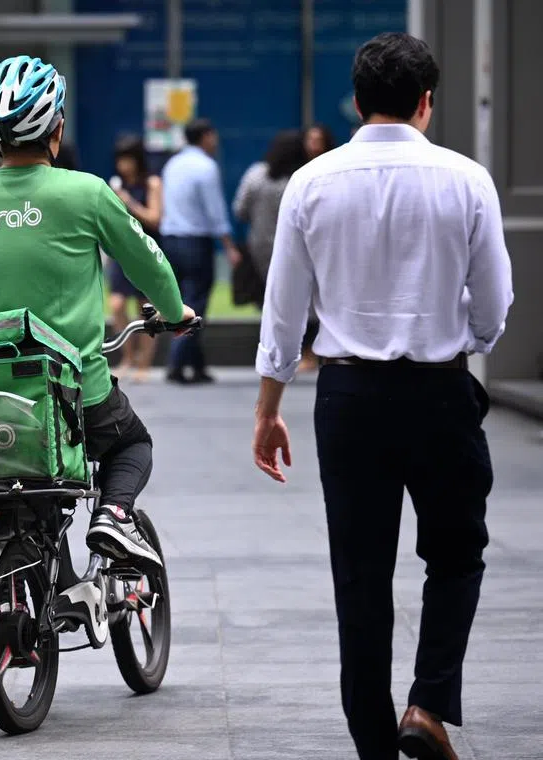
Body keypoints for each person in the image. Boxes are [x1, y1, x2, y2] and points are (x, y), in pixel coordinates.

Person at [252, 33, 513, 760]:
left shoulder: (312, 182)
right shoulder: (467, 180)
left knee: (360, 575)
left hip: (347, 395)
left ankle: (373, 743)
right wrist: (451, 330)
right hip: (438, 392)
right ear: (426, 102)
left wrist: (268, 408)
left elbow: (284, 309)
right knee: (457, 554)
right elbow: (494, 308)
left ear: (358, 101)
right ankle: (427, 705)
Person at [0, 55, 198, 571]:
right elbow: (148, 262)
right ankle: (115, 515)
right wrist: (174, 311)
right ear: (56, 128)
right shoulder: (86, 192)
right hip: (72, 390)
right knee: (131, 446)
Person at [160, 118, 241, 384]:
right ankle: (175, 361)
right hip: (195, 242)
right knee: (195, 304)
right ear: (205, 137)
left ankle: (197, 365)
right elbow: (215, 211)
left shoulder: (172, 164)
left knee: (182, 300)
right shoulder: (206, 167)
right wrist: (229, 245)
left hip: (171, 240)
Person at [107, 135, 163, 382]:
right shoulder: (116, 185)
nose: (123, 166)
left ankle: (145, 362)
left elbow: (154, 218)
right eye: (120, 160)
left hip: (145, 251)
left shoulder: (152, 183)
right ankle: (127, 357)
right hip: (121, 251)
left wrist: (129, 202)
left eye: (128, 160)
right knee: (117, 304)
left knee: (146, 308)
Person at [232, 129, 307, 294]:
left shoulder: (256, 174)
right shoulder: (303, 178)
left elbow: (240, 210)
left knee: (269, 293)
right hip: (296, 246)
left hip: (260, 245)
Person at [297, 124, 337, 370]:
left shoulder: (332, 168)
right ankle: (308, 351)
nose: (313, 144)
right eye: (310, 139)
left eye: (318, 139)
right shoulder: (300, 172)